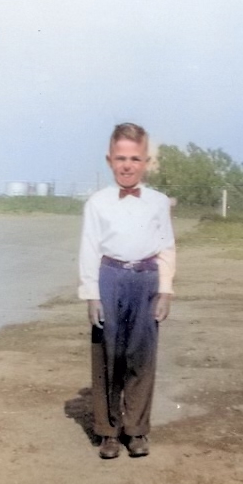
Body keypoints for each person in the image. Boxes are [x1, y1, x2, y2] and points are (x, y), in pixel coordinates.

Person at [79, 123, 176, 459]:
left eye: (134, 158)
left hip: (146, 279)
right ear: (109, 160)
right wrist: (91, 294)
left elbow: (166, 248)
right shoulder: (97, 203)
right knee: (108, 357)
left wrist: (165, 291)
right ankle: (107, 431)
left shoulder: (158, 202)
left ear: (146, 161)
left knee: (141, 356)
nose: (127, 165)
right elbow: (89, 249)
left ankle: (135, 430)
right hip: (110, 278)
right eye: (120, 158)